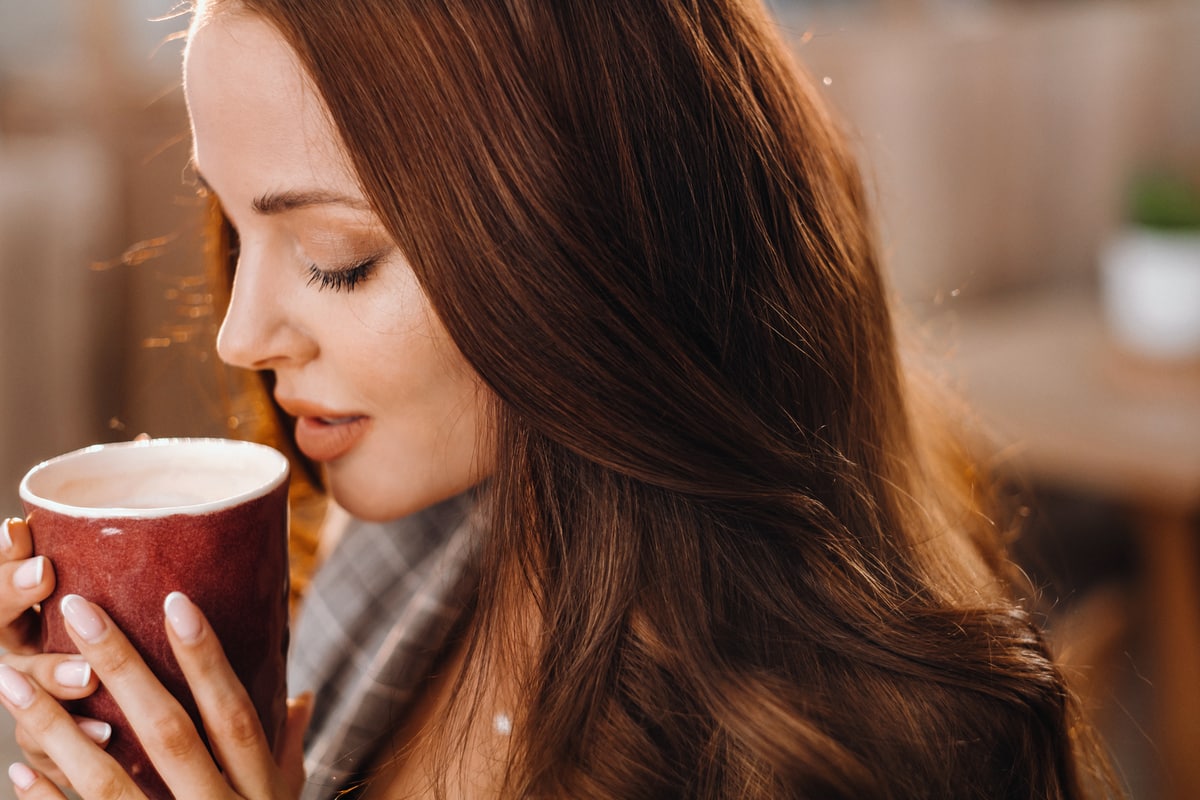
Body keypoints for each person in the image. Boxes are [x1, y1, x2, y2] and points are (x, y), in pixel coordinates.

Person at [0, 0, 1118, 797]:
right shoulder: (368, 567)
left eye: (337, 256)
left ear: (578, 253)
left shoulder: (848, 751)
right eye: (234, 230)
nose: (240, 333)